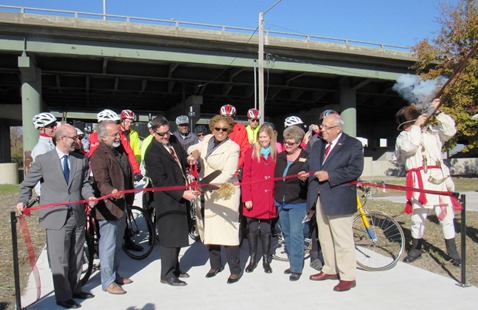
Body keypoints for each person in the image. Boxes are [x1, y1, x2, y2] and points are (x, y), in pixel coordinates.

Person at [16, 124, 96, 309]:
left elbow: (84, 184)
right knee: (60, 259)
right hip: (55, 217)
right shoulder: (44, 160)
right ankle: (63, 296)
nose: (78, 141)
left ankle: (75, 288)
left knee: (76, 256)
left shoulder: (80, 160)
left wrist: (89, 195)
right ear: (61, 139)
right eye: (74, 138)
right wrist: (22, 201)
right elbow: (27, 184)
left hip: (76, 215)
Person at [299, 113, 364, 292]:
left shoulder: (353, 145)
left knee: (342, 240)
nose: (322, 130)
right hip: (319, 198)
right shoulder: (318, 144)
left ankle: (348, 276)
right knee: (325, 237)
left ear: (338, 129)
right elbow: (309, 163)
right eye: (322, 126)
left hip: (339, 199)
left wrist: (331, 175)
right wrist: (304, 173)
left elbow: (355, 170)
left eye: (327, 127)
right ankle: (330, 269)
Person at [394, 99, 461, 266]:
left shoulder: (432, 133)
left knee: (446, 216)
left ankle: (453, 253)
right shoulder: (404, 137)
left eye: (407, 124)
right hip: (419, 183)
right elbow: (410, 147)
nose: (406, 128)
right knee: (418, 217)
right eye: (406, 125)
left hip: (438, 179)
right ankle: (416, 249)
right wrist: (416, 127)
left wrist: (436, 111)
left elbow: (450, 130)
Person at [144, 115, 199, 286]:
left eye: (167, 132)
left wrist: (190, 158)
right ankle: (166, 274)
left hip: (181, 195)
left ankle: (175, 267)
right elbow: (161, 181)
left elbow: (182, 157)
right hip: (168, 199)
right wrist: (182, 193)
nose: (165, 137)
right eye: (161, 134)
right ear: (153, 132)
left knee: (179, 234)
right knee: (169, 237)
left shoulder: (173, 141)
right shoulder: (152, 153)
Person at [187, 114, 242, 284]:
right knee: (211, 230)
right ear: (212, 128)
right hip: (208, 192)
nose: (220, 132)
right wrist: (195, 155)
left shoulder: (233, 148)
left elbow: (228, 173)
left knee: (228, 231)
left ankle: (235, 270)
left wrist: (206, 185)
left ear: (229, 130)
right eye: (217, 128)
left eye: (224, 129)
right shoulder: (208, 139)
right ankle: (215, 265)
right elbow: (192, 148)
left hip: (225, 192)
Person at [90, 121, 135, 295]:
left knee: (117, 244)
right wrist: (112, 191)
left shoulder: (119, 149)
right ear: (103, 137)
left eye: (118, 133)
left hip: (122, 204)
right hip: (108, 206)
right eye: (114, 134)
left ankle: (115, 274)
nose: (119, 136)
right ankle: (107, 281)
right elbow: (101, 181)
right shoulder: (99, 155)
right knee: (108, 245)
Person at [274, 126, 309, 281]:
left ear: (299, 143)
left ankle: (296, 267)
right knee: (286, 234)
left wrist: (306, 179)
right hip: (281, 202)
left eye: (291, 143)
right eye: (285, 142)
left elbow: (312, 182)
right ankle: (293, 261)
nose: (287, 145)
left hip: (298, 202)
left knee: (296, 234)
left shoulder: (307, 157)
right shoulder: (280, 157)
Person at [242, 123, 277, 274]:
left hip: (269, 197)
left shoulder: (276, 154)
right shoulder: (250, 153)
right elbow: (246, 176)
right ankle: (252, 258)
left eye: (265, 137)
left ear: (271, 137)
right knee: (252, 229)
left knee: (266, 229)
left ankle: (265, 259)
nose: (263, 140)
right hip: (253, 197)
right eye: (260, 137)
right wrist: (247, 197)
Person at [31, 112, 58, 195]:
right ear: (41, 129)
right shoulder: (41, 148)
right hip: (48, 194)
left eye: (55, 124)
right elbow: (40, 173)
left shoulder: (50, 144)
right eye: (52, 126)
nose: (55, 128)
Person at [219, 104, 250, 170]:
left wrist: (238, 164)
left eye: (231, 117)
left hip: (237, 166)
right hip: (220, 166)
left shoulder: (241, 128)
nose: (228, 119)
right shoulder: (217, 129)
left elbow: (245, 149)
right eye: (225, 117)